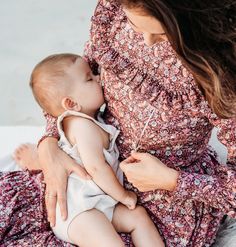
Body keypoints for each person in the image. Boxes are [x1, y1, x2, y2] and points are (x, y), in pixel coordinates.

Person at [10, 0, 236, 246]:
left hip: (161, 202)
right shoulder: (115, 14)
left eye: (162, 34)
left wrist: (172, 180)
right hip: (91, 162)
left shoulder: (222, 72)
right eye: (135, 25)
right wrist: (49, 145)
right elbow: (70, 84)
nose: (147, 42)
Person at [20, 52, 164, 247]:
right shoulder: (82, 126)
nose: (99, 78)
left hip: (98, 203)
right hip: (78, 210)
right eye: (90, 78)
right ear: (71, 103)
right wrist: (124, 196)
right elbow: (97, 169)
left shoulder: (92, 121)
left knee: (138, 216)